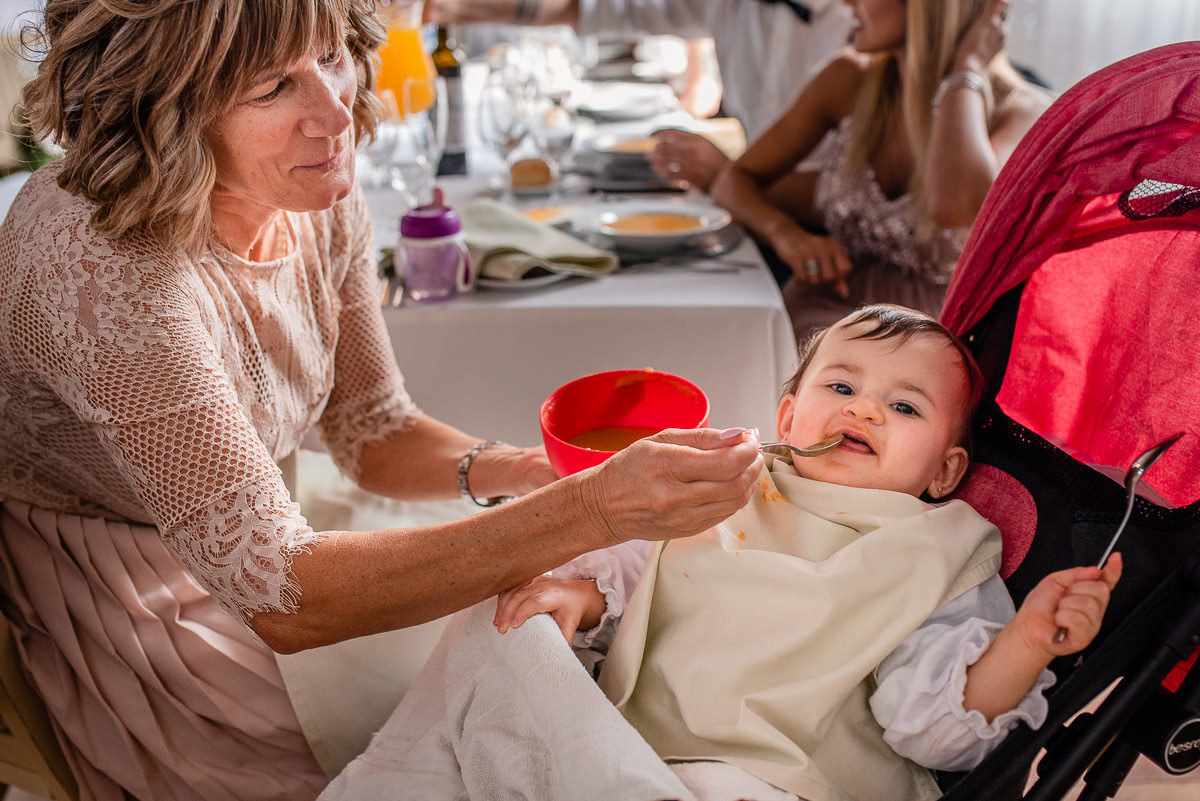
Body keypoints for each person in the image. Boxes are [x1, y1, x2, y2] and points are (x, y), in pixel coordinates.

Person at [0, 0, 765, 798]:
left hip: (274, 518)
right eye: (273, 87)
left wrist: (531, 472)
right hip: (141, 589)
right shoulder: (103, 267)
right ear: (165, 104)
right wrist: (591, 508)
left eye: (332, 56)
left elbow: (372, 428)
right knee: (502, 690)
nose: (336, 114)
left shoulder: (311, 190)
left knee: (554, 627)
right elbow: (286, 598)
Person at [492, 304, 1121, 800]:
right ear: (788, 419)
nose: (865, 408)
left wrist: (1027, 642)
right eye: (842, 385)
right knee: (503, 635)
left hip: (784, 776)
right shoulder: (734, 481)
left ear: (945, 471)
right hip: (626, 733)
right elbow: (648, 563)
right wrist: (583, 594)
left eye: (904, 406)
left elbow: (933, 729)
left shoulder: (935, 549)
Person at [709, 0, 1053, 342]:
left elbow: (955, 206)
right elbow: (733, 181)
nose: (846, 3)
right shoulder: (848, 79)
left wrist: (966, 68)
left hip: (939, 343)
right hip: (818, 323)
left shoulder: (1022, 114)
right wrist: (788, 236)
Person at [422, 0, 854, 149]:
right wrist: (446, 7)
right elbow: (595, 7)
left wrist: (730, 180)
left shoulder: (867, 28)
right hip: (759, 218)